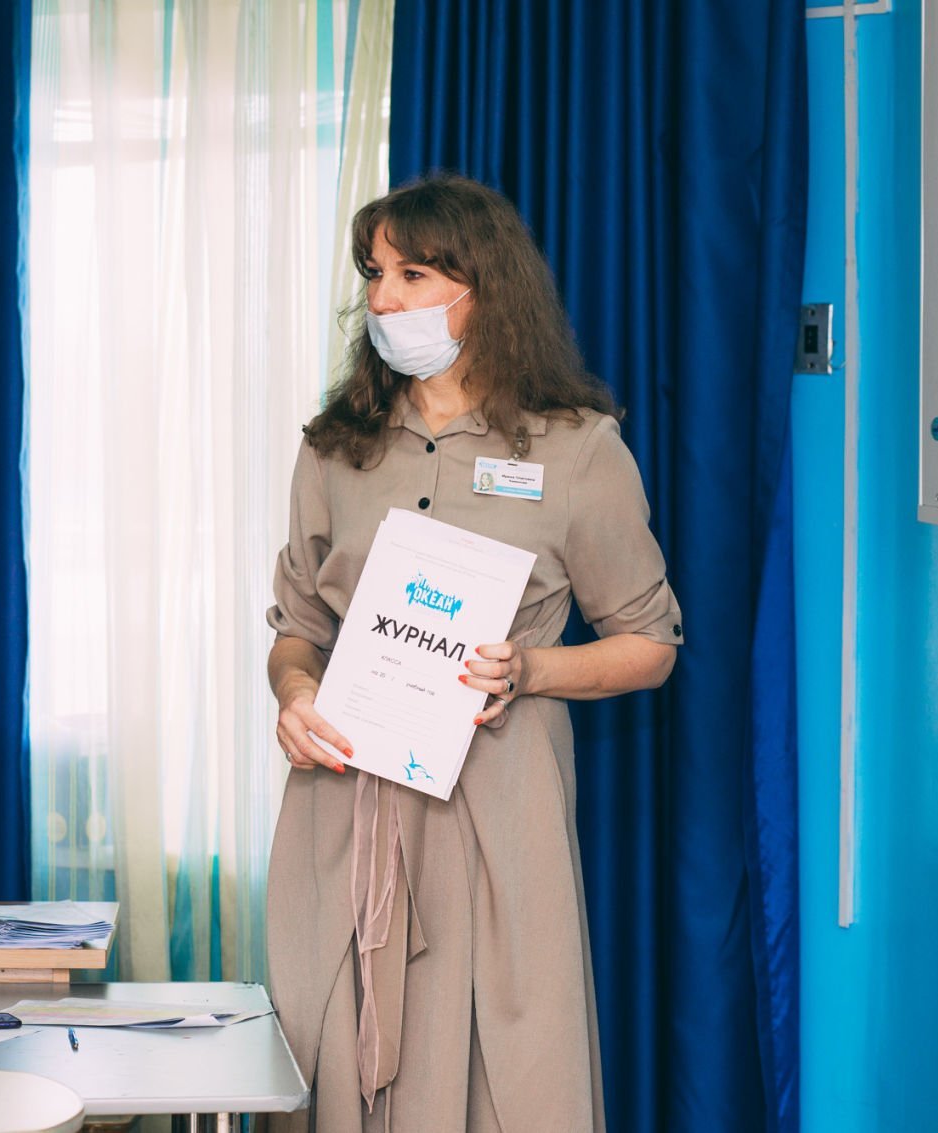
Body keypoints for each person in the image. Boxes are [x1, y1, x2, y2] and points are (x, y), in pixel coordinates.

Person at [265, 175, 682, 1132]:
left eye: (412, 274)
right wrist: (293, 693)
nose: (383, 299)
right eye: (374, 274)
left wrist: (531, 670)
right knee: (331, 1055)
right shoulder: (335, 447)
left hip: (500, 813)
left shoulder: (577, 450)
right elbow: (299, 629)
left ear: (484, 286)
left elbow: (650, 644)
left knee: (512, 1075)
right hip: (346, 805)